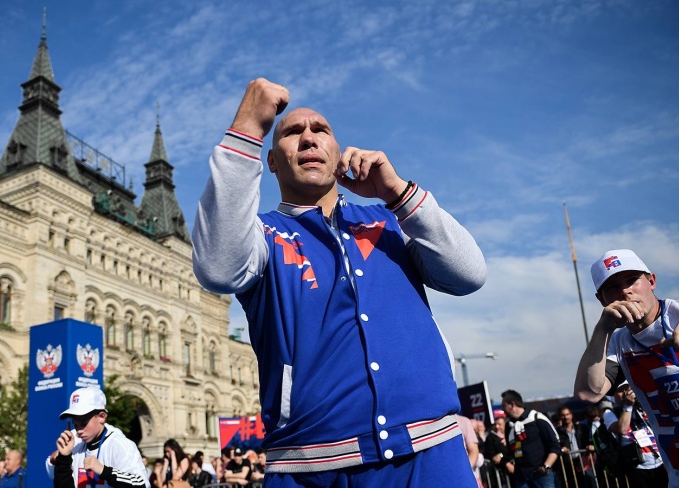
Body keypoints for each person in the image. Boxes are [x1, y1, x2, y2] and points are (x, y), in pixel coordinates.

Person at [192, 78, 487, 487]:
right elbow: (217, 267)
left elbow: (469, 274)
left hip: (430, 453)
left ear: (337, 155)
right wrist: (246, 129)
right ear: (272, 161)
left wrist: (398, 193)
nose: (309, 138)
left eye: (321, 130)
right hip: (312, 468)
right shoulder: (263, 237)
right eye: (292, 133)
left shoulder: (389, 224)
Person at [574, 249, 679, 488]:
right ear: (602, 300)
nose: (625, 291)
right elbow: (588, 392)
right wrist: (602, 329)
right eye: (612, 287)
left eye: (632, 280)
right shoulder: (617, 342)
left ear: (651, 281)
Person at [46, 386, 150, 487]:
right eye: (75, 424)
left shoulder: (120, 444)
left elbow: (141, 484)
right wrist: (63, 458)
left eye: (84, 423)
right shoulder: (73, 441)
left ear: (101, 417)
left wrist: (104, 470)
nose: (79, 430)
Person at [603, 382, 666, 488]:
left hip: (659, 462)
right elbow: (622, 429)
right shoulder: (609, 413)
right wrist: (628, 405)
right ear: (614, 395)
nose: (625, 393)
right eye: (621, 391)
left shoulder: (642, 407)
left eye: (628, 390)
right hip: (637, 465)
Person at [501, 390, 561, 488]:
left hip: (541, 474)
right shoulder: (509, 426)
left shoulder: (537, 418)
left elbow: (555, 445)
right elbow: (510, 449)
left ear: (512, 404)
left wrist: (546, 466)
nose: (502, 410)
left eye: (503, 406)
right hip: (521, 476)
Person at [556, 406, 588, 488]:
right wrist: (562, 449)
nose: (566, 417)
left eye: (567, 414)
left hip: (583, 460)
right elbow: (555, 445)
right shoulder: (557, 432)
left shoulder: (581, 428)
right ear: (560, 417)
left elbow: (588, 440)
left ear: (571, 415)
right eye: (563, 415)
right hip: (567, 462)